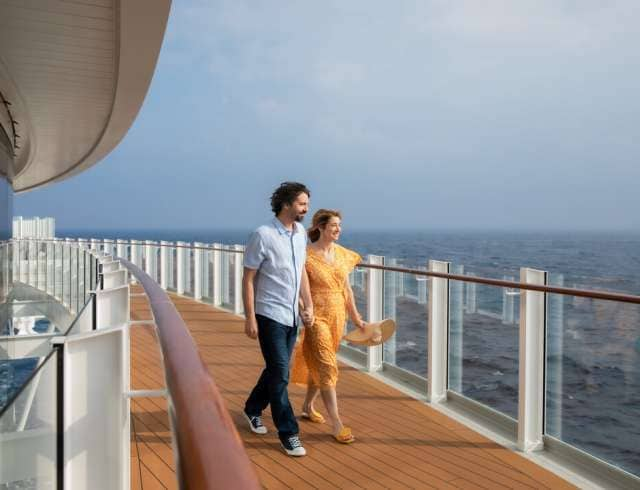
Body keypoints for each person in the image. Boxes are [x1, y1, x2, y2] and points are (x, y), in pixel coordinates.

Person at [243, 182, 315, 457]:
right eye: (301, 204)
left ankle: (252, 408)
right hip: (269, 314)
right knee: (282, 374)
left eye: (306, 204)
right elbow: (248, 279)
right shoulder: (263, 235)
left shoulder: (300, 235)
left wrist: (308, 305)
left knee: (276, 370)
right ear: (286, 204)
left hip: (292, 316)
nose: (305, 209)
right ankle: (289, 432)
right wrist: (250, 317)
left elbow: (301, 273)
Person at [290, 209, 364, 444]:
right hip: (316, 317)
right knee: (327, 364)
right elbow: (298, 286)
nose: (338, 229)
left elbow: (347, 289)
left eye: (339, 225)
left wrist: (357, 319)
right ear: (320, 227)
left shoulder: (343, 255)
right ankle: (336, 423)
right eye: (333, 225)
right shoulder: (305, 255)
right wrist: (305, 309)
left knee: (320, 363)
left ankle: (307, 406)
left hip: (337, 317)